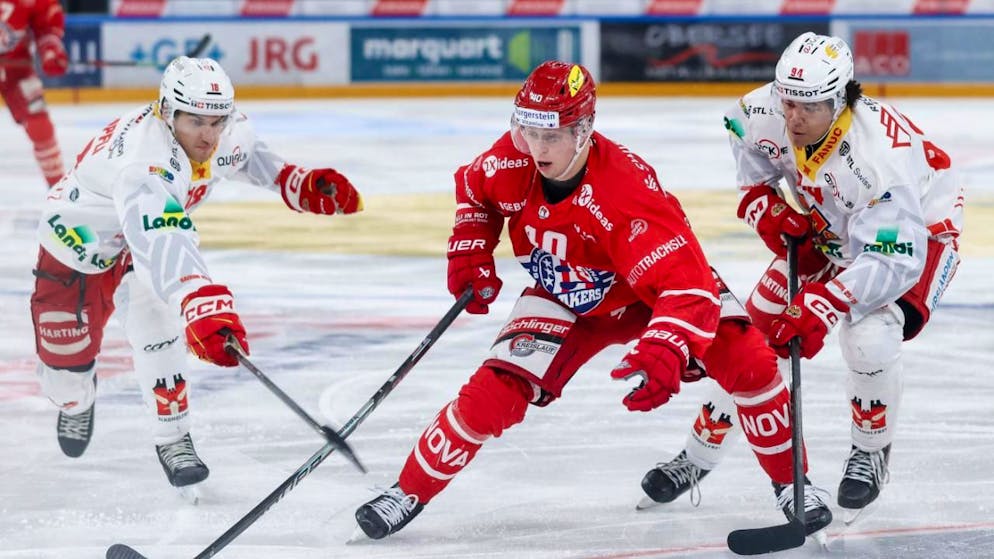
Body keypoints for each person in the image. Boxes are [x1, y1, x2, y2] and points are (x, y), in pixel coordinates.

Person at [352, 60, 832, 542]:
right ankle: (407, 491)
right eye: (528, 131)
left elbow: (686, 286)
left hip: (647, 295)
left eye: (551, 136)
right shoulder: (513, 158)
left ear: (583, 131)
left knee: (749, 362)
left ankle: (794, 486)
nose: (537, 148)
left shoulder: (625, 193)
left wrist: (665, 347)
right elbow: (476, 194)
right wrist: (471, 249)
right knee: (492, 392)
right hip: (563, 292)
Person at [638, 32, 963, 518]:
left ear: (840, 100)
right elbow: (747, 150)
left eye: (809, 108)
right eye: (788, 102)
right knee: (749, 338)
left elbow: (892, 257)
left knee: (868, 336)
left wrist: (826, 302)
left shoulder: (878, 160)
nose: (793, 118)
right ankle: (698, 454)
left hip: (915, 236)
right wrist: (763, 206)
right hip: (831, 225)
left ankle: (870, 451)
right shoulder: (761, 109)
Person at [31, 56, 363, 492]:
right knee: (66, 382)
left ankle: (173, 437)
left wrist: (294, 180)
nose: (209, 136)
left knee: (158, 326)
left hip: (144, 242)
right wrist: (197, 298)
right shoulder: (144, 162)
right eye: (196, 123)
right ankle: (76, 399)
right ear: (167, 113)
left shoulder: (223, 131)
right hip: (80, 245)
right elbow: (162, 235)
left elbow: (244, 156)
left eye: (217, 122)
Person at [0, 0, 69, 187]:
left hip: (17, 71)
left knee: (40, 124)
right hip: (16, 67)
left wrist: (50, 49)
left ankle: (58, 190)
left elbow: (46, 23)